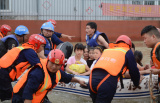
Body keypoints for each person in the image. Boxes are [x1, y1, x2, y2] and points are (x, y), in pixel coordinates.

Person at [12, 49, 87, 103]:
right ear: (47, 60)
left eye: (57, 65)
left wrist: (79, 81)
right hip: (21, 99)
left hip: (39, 97)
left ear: (61, 65)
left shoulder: (58, 72)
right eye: (52, 63)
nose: (54, 67)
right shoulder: (37, 73)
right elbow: (27, 94)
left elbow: (67, 77)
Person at [89, 35, 140, 103]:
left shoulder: (107, 50)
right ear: (129, 45)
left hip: (91, 80)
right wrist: (136, 83)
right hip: (106, 82)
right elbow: (134, 71)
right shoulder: (127, 51)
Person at [0, 34, 46, 102]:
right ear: (36, 45)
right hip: (3, 74)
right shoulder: (30, 51)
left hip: (3, 72)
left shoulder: (25, 48)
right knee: (8, 97)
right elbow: (40, 67)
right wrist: (42, 56)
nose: (43, 49)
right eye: (42, 46)